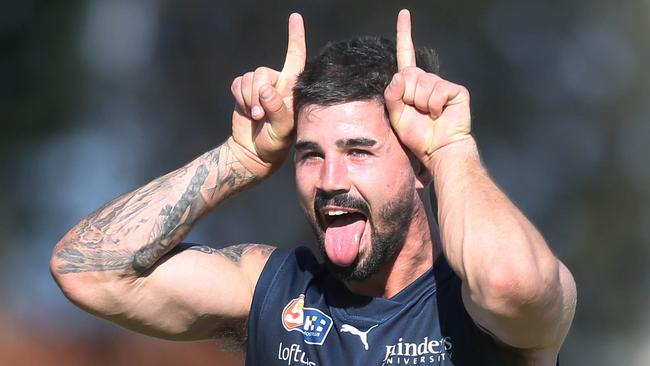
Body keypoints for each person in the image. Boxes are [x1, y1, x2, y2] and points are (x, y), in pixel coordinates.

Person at [50, 9, 576, 366]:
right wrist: (240, 158)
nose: (330, 182)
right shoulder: (273, 290)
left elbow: (510, 284)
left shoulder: (475, 305)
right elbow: (90, 271)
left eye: (357, 152)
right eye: (310, 156)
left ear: (418, 164)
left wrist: (450, 149)